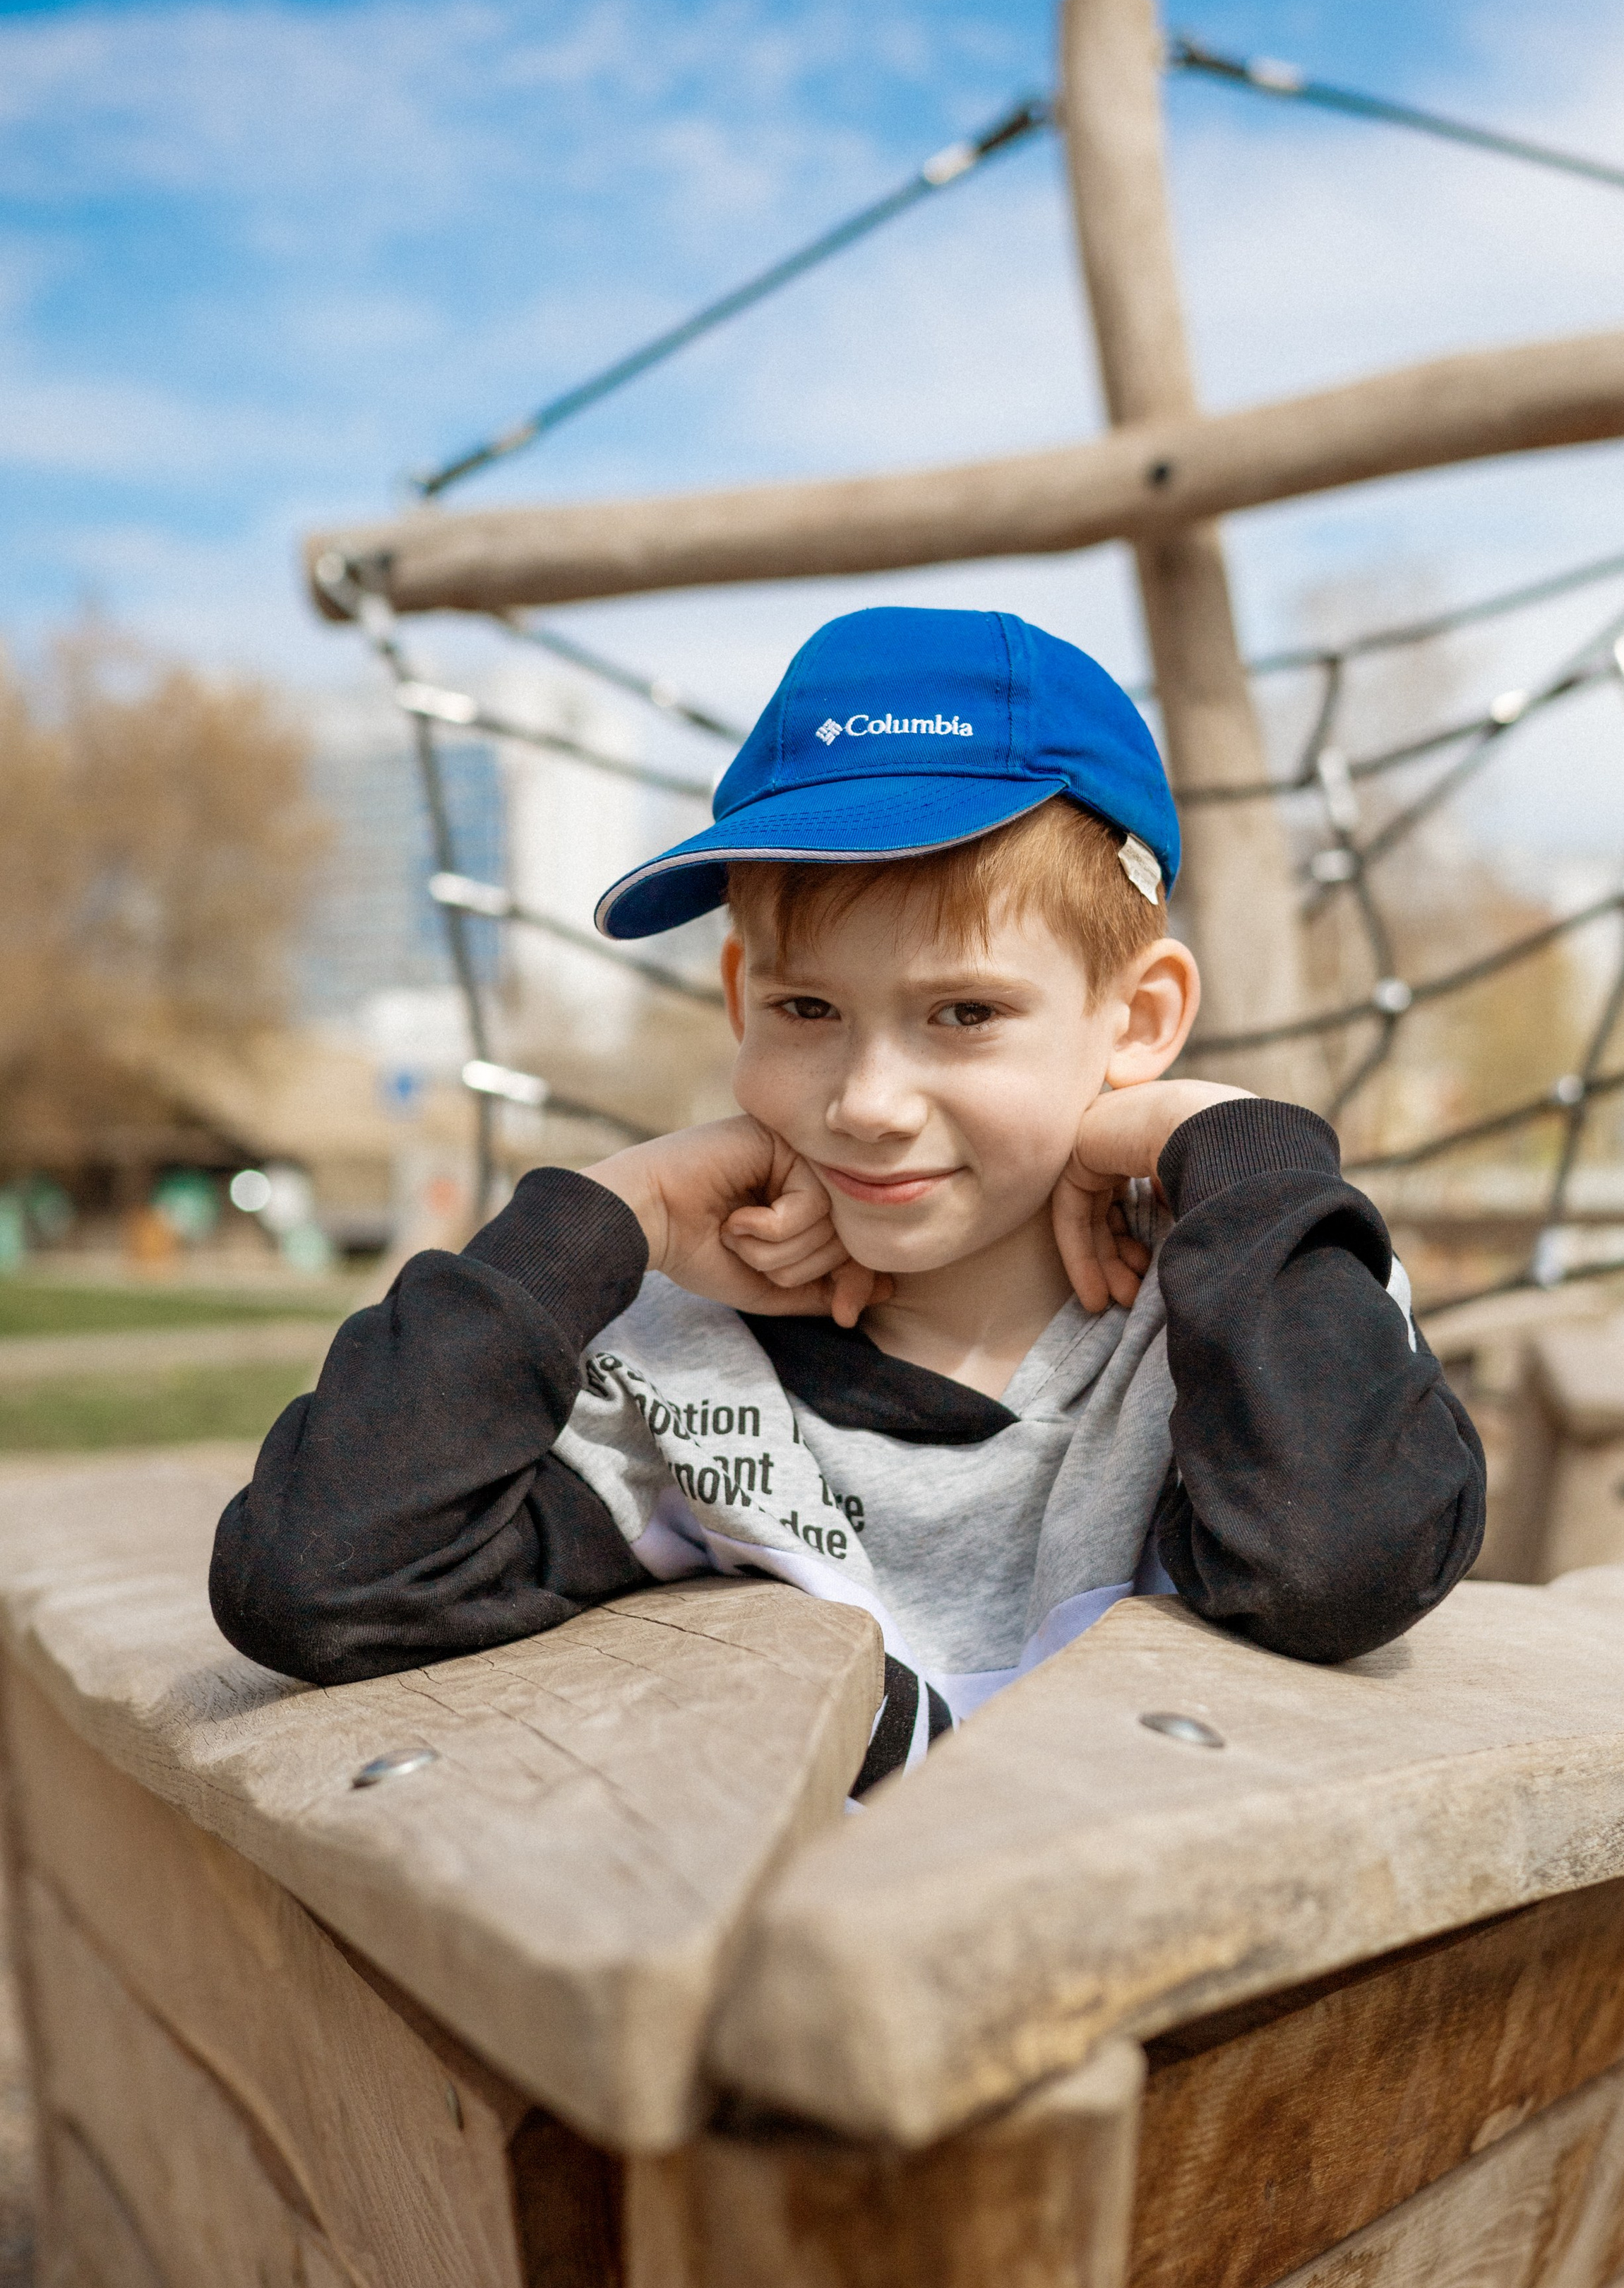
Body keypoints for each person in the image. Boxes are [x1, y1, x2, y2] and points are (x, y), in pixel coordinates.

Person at [211, 607, 1484, 1790]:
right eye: (807, 1009)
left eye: (966, 1013)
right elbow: (309, 1578)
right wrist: (609, 1215)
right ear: (737, 1002)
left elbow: (1350, 1564)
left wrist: (1224, 1145)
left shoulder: (1246, 1314)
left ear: (1138, 1019)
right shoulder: (682, 1375)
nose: (870, 1099)